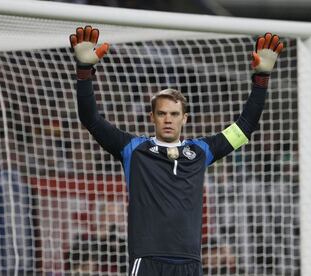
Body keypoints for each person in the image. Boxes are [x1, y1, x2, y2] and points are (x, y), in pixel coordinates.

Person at [69, 25, 284, 276]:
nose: (168, 119)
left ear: (185, 119)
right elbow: (91, 119)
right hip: (147, 260)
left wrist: (261, 79)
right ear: (153, 117)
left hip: (189, 262)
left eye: (174, 114)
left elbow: (245, 128)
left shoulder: (201, 151)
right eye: (162, 114)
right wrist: (84, 72)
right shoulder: (134, 149)